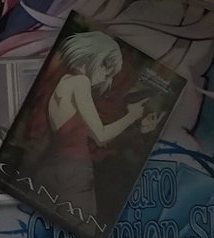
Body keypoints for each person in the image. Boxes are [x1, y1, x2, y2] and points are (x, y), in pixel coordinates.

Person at [23, 30, 159, 218]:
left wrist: (138, 127)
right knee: (81, 223)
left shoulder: (66, 80)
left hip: (55, 166)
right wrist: (132, 116)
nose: (105, 80)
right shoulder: (80, 82)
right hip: (74, 171)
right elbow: (100, 135)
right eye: (107, 73)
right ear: (99, 60)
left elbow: (88, 136)